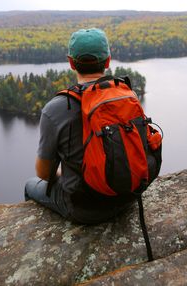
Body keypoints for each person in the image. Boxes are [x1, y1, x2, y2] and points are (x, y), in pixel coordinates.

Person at [25, 28, 137, 224]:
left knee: (30, 185)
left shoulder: (56, 108)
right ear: (108, 61)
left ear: (71, 62)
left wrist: (66, 174)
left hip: (84, 209)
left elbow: (43, 173)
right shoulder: (127, 96)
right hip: (128, 197)